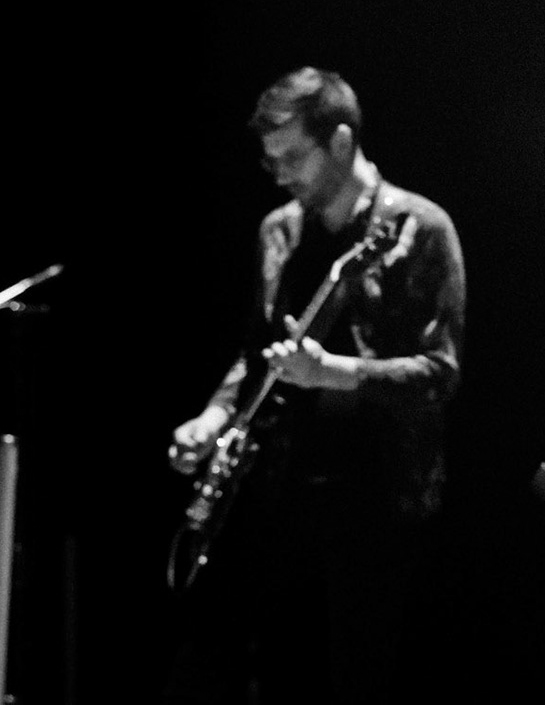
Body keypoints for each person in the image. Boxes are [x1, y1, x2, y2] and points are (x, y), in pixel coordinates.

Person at [165, 67, 466, 705]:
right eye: (269, 160)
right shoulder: (278, 231)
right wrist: (213, 418)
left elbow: (440, 374)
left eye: (292, 157)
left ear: (340, 141)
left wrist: (335, 372)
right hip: (280, 497)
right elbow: (256, 355)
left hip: (380, 502)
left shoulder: (420, 228)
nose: (278, 175)